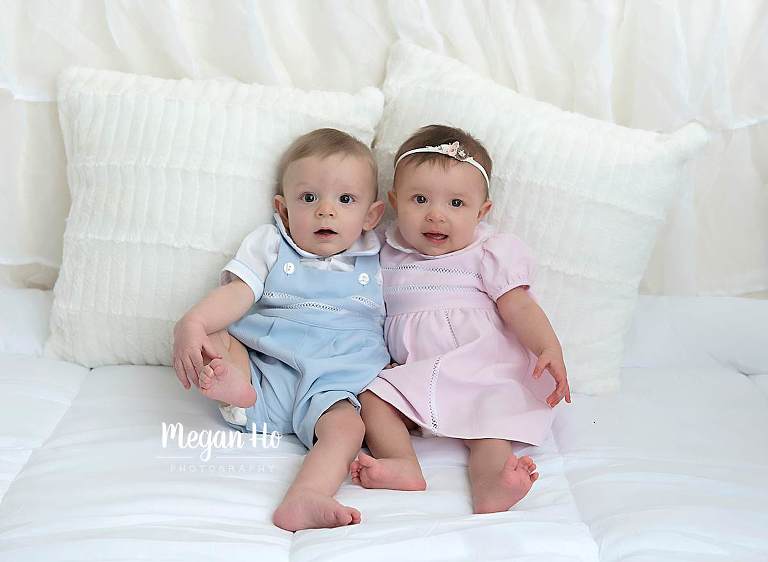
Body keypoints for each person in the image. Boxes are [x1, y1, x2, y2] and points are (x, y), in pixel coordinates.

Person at [172, 128, 388, 531]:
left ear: (371, 216)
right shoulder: (272, 243)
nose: (326, 211)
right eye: (309, 198)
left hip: (332, 385)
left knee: (348, 430)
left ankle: (307, 495)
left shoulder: (380, 255)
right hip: (265, 363)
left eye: (345, 200)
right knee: (218, 338)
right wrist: (194, 322)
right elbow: (239, 293)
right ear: (283, 208)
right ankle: (236, 389)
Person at [350, 124, 571, 514]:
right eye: (420, 199)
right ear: (394, 201)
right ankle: (402, 463)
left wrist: (547, 347)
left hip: (482, 365)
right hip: (417, 371)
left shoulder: (489, 252)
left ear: (481, 212)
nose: (436, 215)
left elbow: (519, 306)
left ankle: (492, 486)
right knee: (371, 397)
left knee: (489, 431)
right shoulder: (380, 251)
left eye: (456, 204)